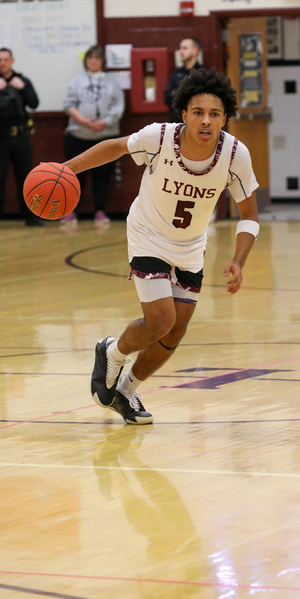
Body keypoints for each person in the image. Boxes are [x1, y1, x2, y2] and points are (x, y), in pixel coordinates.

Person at [63, 67, 259, 425]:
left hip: (190, 246)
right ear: (184, 114)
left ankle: (126, 390)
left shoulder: (235, 155)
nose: (205, 121)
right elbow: (115, 147)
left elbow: (249, 216)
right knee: (161, 319)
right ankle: (112, 351)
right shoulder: (160, 138)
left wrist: (238, 260)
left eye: (214, 114)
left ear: (224, 119)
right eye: (198, 112)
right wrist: (67, 169)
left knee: (177, 329)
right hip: (147, 234)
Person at [0, 47, 42, 227]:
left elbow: (35, 103)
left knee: (26, 177)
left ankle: (30, 216)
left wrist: (23, 88)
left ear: (12, 61)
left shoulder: (22, 80)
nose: (2, 63)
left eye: (5, 59)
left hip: (20, 136)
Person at [61, 44, 125, 226]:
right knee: (75, 175)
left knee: (102, 177)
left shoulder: (112, 82)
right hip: (78, 135)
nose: (93, 61)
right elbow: (68, 104)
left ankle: (100, 211)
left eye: (97, 58)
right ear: (86, 61)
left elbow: (118, 107)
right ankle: (71, 211)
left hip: (104, 135)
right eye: (90, 58)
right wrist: (82, 120)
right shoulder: (77, 81)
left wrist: (103, 122)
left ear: (102, 61)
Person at [163, 37, 202, 122]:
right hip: (177, 123)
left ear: (195, 51)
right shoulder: (176, 74)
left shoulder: (203, 73)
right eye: (180, 48)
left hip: (197, 123)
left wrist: (178, 93)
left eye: (185, 48)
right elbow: (167, 97)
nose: (181, 51)